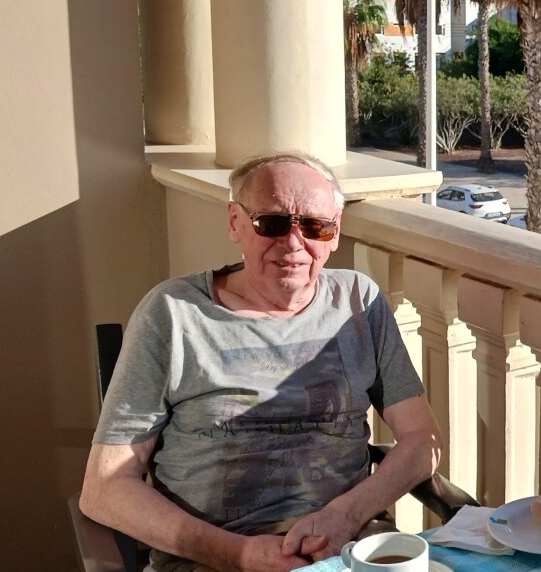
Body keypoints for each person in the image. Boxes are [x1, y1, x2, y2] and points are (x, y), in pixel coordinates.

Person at [81, 152, 443, 572]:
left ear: (335, 233)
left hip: (349, 550)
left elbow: (422, 440)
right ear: (235, 222)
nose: (293, 243)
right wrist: (238, 553)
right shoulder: (173, 313)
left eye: (315, 226)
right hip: (211, 560)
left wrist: (346, 515)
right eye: (271, 223)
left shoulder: (359, 303)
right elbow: (104, 487)